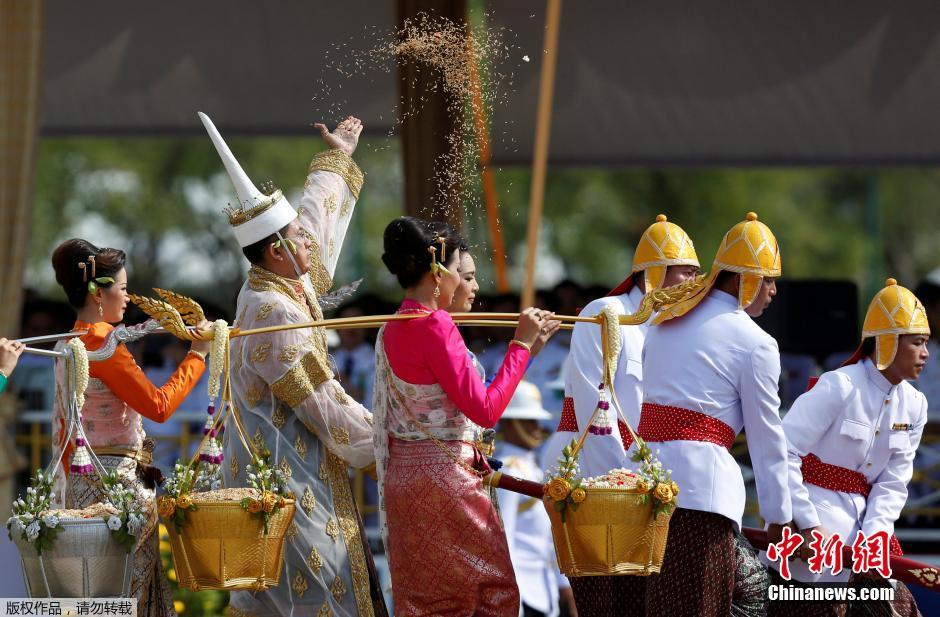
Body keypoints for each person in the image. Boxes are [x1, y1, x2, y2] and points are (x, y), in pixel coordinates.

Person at [200, 112, 386, 617]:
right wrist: (387, 443)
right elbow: (319, 398)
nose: (309, 242)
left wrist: (337, 157)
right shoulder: (270, 308)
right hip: (283, 468)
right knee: (319, 584)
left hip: (305, 459)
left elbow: (317, 221)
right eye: (296, 239)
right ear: (275, 251)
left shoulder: (285, 276)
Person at [372, 216, 560, 616]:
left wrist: (524, 354)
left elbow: (457, 401)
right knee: (492, 595)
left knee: (426, 604)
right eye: (464, 274)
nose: (472, 286)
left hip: (405, 481)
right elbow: (485, 411)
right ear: (440, 273)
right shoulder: (436, 324)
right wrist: (520, 347)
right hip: (448, 480)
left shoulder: (391, 327)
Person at [544, 214, 699, 617]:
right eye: (685, 272)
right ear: (656, 271)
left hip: (659, 488)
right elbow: (594, 410)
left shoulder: (680, 328)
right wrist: (623, 490)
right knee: (610, 604)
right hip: (603, 486)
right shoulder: (606, 313)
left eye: (697, 274)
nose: (693, 283)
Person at [639, 212, 791, 616]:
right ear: (746, 280)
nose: (773, 290)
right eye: (768, 279)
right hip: (699, 494)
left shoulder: (664, 319)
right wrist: (778, 515)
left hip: (642, 485)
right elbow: (766, 436)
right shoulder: (756, 342)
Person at [49, 238, 211, 617]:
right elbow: (158, 406)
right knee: (130, 599)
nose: (127, 298)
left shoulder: (65, 343)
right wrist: (198, 356)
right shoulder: (104, 346)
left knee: (96, 598)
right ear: (97, 293)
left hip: (81, 487)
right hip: (119, 487)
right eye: (122, 289)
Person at [767, 278, 927, 617]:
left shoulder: (915, 404)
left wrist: (874, 536)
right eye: (916, 343)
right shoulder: (839, 385)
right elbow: (782, 450)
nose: (925, 353)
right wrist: (808, 524)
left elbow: (892, 482)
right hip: (812, 542)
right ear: (887, 343)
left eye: (926, 343)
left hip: (867, 543)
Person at [496, 381, 563, 617]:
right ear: (508, 423)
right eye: (527, 421)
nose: (536, 428)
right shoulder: (508, 469)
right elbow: (505, 538)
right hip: (522, 588)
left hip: (543, 585)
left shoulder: (531, 465)